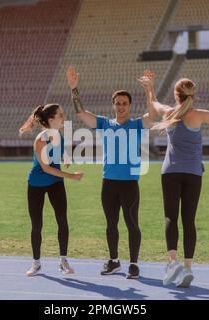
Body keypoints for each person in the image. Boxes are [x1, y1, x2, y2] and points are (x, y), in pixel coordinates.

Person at [138, 70, 209, 288]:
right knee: (188, 220)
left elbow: (153, 106)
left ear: (176, 94)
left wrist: (150, 88)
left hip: (170, 172)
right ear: (193, 95)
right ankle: (188, 268)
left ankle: (173, 264)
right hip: (193, 173)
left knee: (170, 218)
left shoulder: (170, 113)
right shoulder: (200, 114)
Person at [66, 66, 153, 279]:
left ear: (130, 105)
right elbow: (80, 112)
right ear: (113, 105)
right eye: (118, 103)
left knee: (132, 224)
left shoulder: (137, 125)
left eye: (124, 103)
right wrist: (74, 88)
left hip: (129, 184)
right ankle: (114, 261)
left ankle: (133, 264)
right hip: (109, 184)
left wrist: (150, 89)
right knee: (111, 224)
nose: (121, 106)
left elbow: (155, 114)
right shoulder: (104, 124)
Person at [19, 103, 84, 276]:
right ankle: (36, 263)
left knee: (62, 221)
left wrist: (66, 157)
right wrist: (71, 176)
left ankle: (63, 261)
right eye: (61, 115)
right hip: (37, 183)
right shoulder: (40, 140)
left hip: (55, 182)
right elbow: (46, 168)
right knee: (37, 225)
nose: (64, 117)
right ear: (50, 120)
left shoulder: (59, 134)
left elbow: (59, 151)